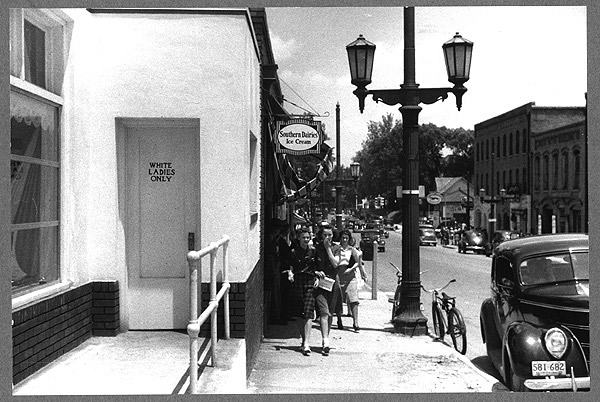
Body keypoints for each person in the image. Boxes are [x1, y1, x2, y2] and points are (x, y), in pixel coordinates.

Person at [313, 226, 344, 356]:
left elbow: (336, 264)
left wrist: (328, 249)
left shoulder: (337, 248)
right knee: (323, 312)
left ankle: (326, 339)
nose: (327, 237)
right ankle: (326, 341)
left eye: (330, 235)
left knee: (330, 313)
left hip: (333, 283)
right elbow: (311, 265)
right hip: (320, 283)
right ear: (320, 235)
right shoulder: (315, 249)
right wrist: (315, 273)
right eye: (325, 235)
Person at [287, 228, 318, 356]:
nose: (306, 240)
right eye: (303, 237)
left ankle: (307, 343)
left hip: (310, 281)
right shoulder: (293, 252)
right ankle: (303, 339)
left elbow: (317, 267)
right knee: (300, 312)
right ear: (299, 238)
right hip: (298, 281)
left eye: (308, 237)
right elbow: (290, 266)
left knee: (309, 311)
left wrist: (317, 278)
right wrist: (290, 273)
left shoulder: (313, 252)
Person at [335, 229, 367, 332]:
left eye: (346, 238)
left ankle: (356, 322)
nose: (344, 240)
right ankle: (339, 319)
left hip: (350, 276)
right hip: (339, 276)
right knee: (338, 299)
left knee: (354, 299)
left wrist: (351, 269)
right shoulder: (336, 249)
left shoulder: (352, 250)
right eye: (343, 238)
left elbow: (358, 262)